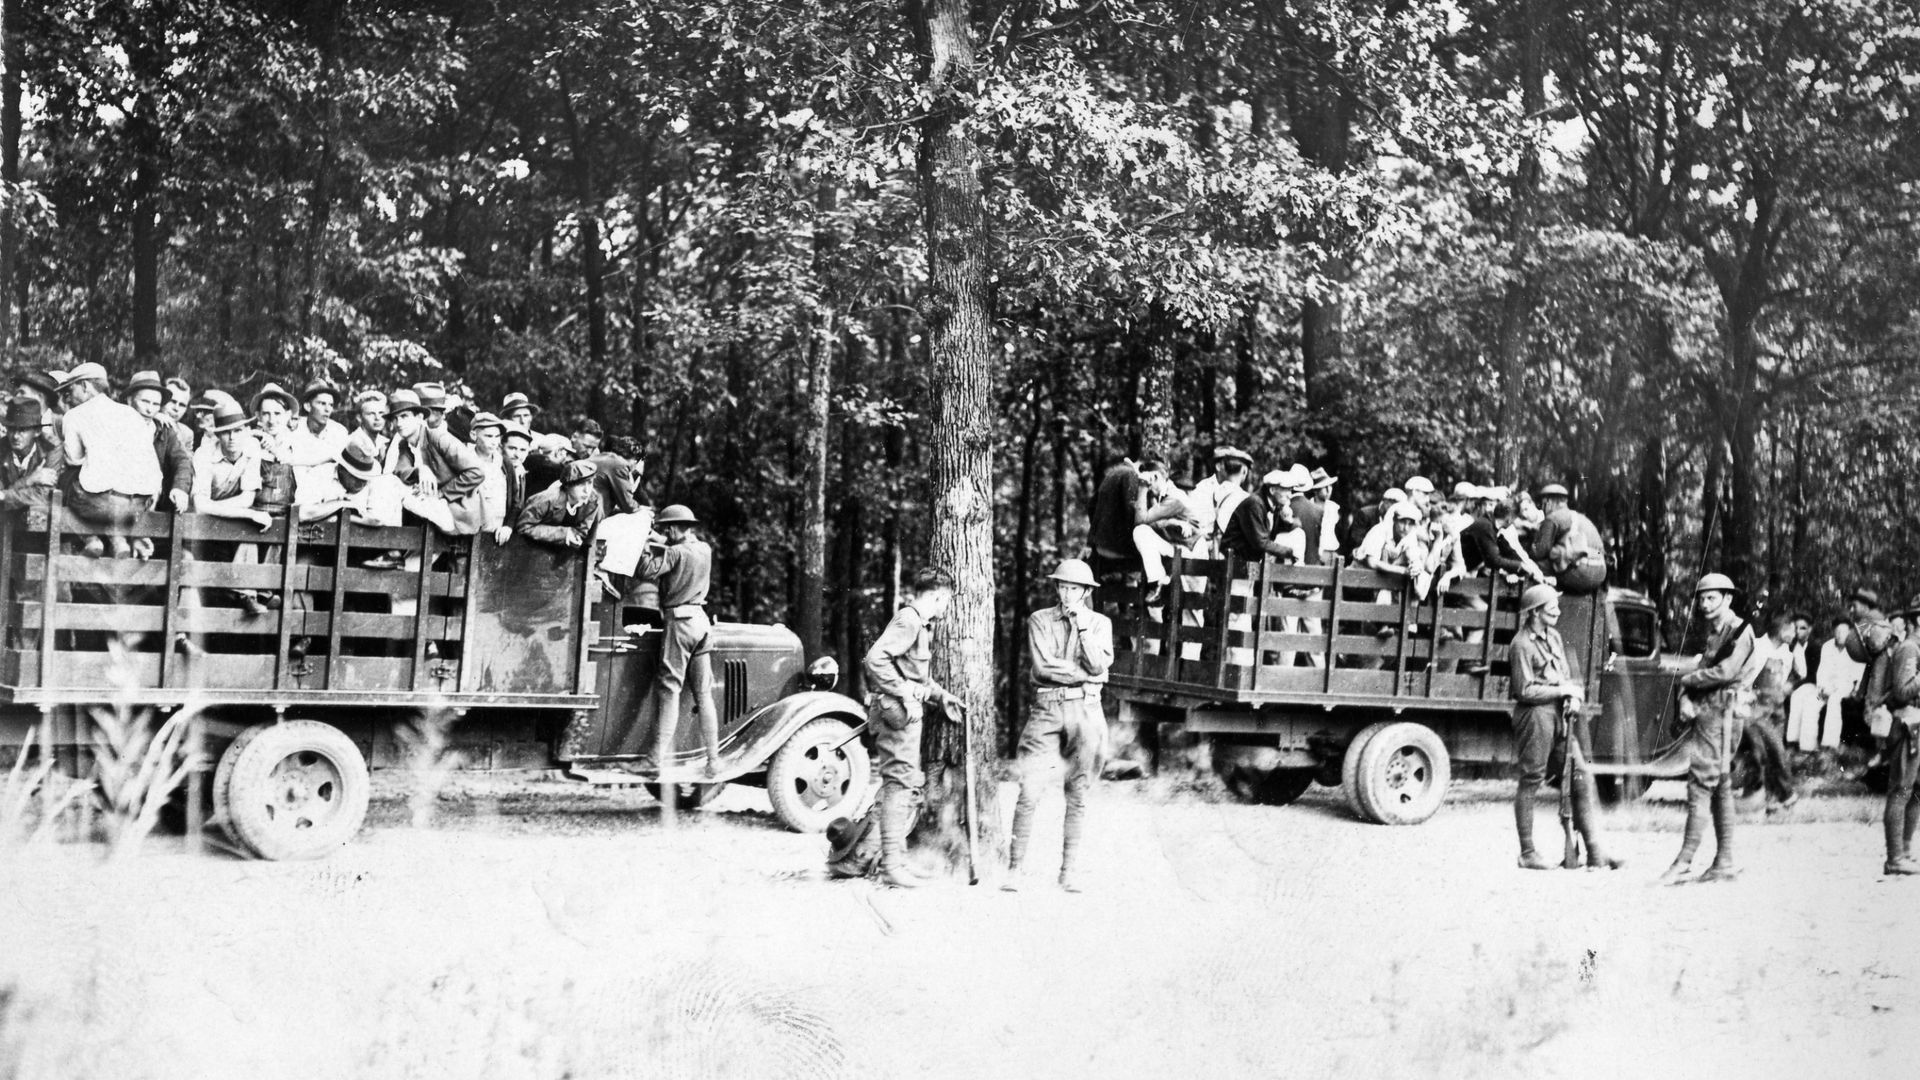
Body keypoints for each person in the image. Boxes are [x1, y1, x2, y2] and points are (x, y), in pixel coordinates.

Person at [1005, 558, 1113, 893]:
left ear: (1085, 592)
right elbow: (1045, 667)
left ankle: (1068, 871)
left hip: (1086, 712)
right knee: (1030, 789)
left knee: (1078, 792)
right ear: (1056, 588)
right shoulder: (1039, 620)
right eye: (1063, 586)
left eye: (1075, 588)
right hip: (1048, 708)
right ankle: (1015, 868)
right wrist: (1088, 675)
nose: (1067, 593)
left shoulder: (1098, 623)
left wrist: (1082, 629)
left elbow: (1099, 661)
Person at [862, 566, 965, 888]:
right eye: (945, 600)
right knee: (898, 783)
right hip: (896, 712)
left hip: (902, 710)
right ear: (937, 596)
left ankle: (898, 859)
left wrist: (940, 695)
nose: (945, 607)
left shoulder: (919, 624)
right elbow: (874, 659)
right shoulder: (909, 620)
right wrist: (906, 692)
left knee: (903, 782)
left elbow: (914, 675)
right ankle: (891, 865)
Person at [1509, 583, 1621, 871]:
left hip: (1561, 716)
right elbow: (1524, 690)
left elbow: (1563, 676)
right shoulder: (1521, 644)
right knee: (1531, 779)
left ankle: (1595, 851)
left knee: (1580, 777)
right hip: (1535, 717)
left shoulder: (1554, 637)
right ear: (1534, 612)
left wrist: (1571, 694)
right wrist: (1562, 691)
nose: (1557, 611)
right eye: (1551, 607)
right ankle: (1527, 852)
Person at [1659, 573, 1756, 885]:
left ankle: (1684, 860)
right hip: (1711, 713)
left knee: (1701, 783)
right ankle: (1724, 861)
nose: (1704, 604)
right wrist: (1688, 690)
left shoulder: (1739, 632)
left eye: (1712, 598)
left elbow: (1725, 672)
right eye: (1701, 598)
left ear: (1728, 599)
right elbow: (1705, 668)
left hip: (1723, 714)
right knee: (1720, 784)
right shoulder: (1716, 633)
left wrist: (1688, 680)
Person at [632, 503, 722, 784]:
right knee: (704, 694)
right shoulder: (704, 549)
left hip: (680, 622)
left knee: (669, 690)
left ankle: (653, 760)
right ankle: (714, 761)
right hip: (701, 621)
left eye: (665, 528)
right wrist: (662, 543)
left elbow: (645, 570)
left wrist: (646, 542)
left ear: (672, 529)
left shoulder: (673, 553)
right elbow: (681, 552)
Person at [58, 363, 164, 557]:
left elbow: (73, 459)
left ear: (85, 386)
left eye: (70, 389)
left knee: (66, 480)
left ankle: (90, 538)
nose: (67, 397)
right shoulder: (130, 413)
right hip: (140, 507)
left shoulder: (73, 415)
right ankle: (118, 541)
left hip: (102, 506)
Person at [190, 398, 277, 615]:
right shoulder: (204, 454)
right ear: (217, 434)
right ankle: (243, 596)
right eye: (226, 432)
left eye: (238, 431)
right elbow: (200, 506)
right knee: (208, 590)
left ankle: (248, 595)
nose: (232, 438)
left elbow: (247, 498)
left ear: (247, 430)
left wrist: (226, 509)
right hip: (201, 529)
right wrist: (246, 513)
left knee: (250, 529)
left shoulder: (252, 449)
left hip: (228, 521)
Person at [1088, 454, 1191, 599]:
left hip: (1100, 546)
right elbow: (1136, 519)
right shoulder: (1131, 476)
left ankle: (1139, 600)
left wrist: (1097, 535)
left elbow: (1091, 505)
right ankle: (1156, 596)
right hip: (1117, 548)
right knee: (1156, 551)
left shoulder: (1113, 472)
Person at [385, 388, 485, 535]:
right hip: (430, 509)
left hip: (456, 509)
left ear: (419, 417)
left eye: (404, 416)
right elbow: (400, 471)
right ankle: (392, 543)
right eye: (395, 418)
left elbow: (477, 472)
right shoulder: (404, 444)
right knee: (392, 485)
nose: (399, 423)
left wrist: (441, 493)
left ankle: (393, 543)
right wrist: (421, 471)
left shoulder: (438, 438)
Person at [1742, 612, 1801, 811]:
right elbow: (1745, 677)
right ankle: (1787, 794)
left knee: (1772, 752)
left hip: (1777, 709)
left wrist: (1789, 686)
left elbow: (1797, 676)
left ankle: (1772, 801)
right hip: (1757, 709)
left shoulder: (1788, 652)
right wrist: (1746, 694)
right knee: (1773, 750)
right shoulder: (1758, 647)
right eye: (1792, 631)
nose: (1794, 635)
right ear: (1781, 630)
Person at [1880, 595, 1920, 875]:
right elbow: (1902, 692)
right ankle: (1894, 858)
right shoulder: (1909, 648)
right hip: (1908, 726)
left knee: (1916, 791)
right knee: (1901, 790)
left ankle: (1905, 851)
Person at [125, 370, 194, 517]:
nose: (149, 409)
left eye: (155, 404)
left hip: (154, 506)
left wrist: (180, 488)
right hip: (120, 504)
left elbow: (182, 460)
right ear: (129, 400)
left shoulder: (164, 429)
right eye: (144, 402)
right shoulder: (116, 425)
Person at [1788, 618, 1863, 752]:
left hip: (1844, 688)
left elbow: (1856, 676)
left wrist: (1840, 689)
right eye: (1838, 631)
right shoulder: (1827, 646)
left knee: (1834, 701)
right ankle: (1806, 746)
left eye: (1844, 632)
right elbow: (1822, 671)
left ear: (1850, 633)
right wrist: (1823, 687)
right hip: (1825, 688)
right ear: (1834, 631)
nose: (1840, 635)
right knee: (1811, 701)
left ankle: (1829, 745)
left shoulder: (1855, 649)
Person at [1845, 588, 1898, 767]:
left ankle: (1884, 759)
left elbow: (1875, 646)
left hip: (1884, 677)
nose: (1851, 610)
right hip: (1878, 672)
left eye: (1854, 606)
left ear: (1866, 605)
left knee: (1880, 714)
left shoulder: (1875, 622)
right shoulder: (1868, 622)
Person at [1529, 483, 1607, 594]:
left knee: (1534, 565)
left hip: (1580, 573)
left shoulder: (1553, 517)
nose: (1542, 508)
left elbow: (1539, 551)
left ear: (1549, 502)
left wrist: (1532, 538)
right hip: (1600, 572)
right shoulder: (1581, 517)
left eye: (1542, 504)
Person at [516, 458, 604, 549]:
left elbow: (582, 531)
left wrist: (573, 537)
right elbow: (523, 527)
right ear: (567, 485)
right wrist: (564, 533)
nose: (587, 490)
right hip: (530, 545)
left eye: (590, 483)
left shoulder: (593, 500)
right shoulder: (546, 500)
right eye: (580, 484)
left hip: (562, 547)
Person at [1219, 469, 1303, 564]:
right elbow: (1261, 542)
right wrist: (1289, 551)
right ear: (1272, 490)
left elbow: (1298, 524)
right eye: (1286, 490)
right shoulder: (1254, 504)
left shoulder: (1274, 506)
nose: (1290, 495)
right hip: (1233, 564)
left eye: (1291, 491)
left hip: (1248, 564)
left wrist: (1289, 520)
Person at [1187, 446, 1253, 558]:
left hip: (1223, 547)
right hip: (1201, 546)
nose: (1233, 466)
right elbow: (1192, 520)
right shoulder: (1203, 488)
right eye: (1230, 463)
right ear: (1218, 466)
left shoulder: (1237, 492)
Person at [0, 397, 63, 512]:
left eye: (22, 430)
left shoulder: (51, 448)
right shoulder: (2, 448)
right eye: (11, 429)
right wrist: (29, 480)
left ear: (37, 431)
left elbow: (43, 495)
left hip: (38, 521)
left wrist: (5, 495)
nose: (15, 436)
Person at [468, 412, 513, 545]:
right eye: (488, 436)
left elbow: (514, 497)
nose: (494, 441)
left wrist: (508, 526)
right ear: (473, 435)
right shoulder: (464, 458)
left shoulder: (504, 463)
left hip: (497, 532)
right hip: (469, 530)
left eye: (497, 436)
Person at [501, 421, 533, 523]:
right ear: (501, 447)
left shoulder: (521, 471)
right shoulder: (497, 470)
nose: (517, 455)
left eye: (523, 450)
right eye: (512, 448)